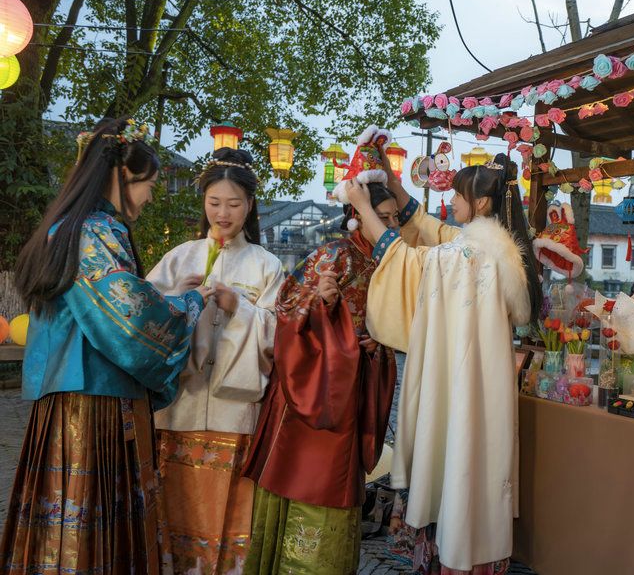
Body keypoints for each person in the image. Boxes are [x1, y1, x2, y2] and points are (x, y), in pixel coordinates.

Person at [1, 117, 212, 573]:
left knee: (69, 522)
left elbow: (113, 301)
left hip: (69, 399)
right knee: (92, 514)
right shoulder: (92, 233)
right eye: (149, 184)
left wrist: (172, 297)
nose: (152, 195)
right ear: (120, 176)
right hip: (91, 403)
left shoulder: (71, 228)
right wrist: (191, 303)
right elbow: (131, 317)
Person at [347, 152, 542, 574]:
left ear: (483, 204)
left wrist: (364, 208)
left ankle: (453, 554)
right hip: (482, 381)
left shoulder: (470, 255)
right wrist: (396, 184)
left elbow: (408, 261)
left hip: (460, 378)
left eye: (458, 195)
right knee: (475, 458)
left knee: (458, 453)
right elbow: (435, 231)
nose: (451, 201)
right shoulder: (493, 249)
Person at [241, 181, 399, 574]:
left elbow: (391, 332)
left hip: (354, 390)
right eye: (383, 217)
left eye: (396, 217)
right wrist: (323, 306)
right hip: (315, 390)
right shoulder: (333, 255)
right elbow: (288, 309)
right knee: (309, 480)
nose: (392, 225)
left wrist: (376, 347)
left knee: (339, 485)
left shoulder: (392, 264)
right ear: (356, 216)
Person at [146, 148, 284, 574]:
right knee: (174, 508)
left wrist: (239, 308)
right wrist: (175, 301)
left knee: (231, 514)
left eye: (234, 204)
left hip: (235, 412)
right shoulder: (178, 258)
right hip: (180, 406)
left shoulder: (267, 265)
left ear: (250, 205)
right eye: (214, 202)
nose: (223, 213)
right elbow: (139, 320)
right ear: (203, 202)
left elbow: (279, 335)